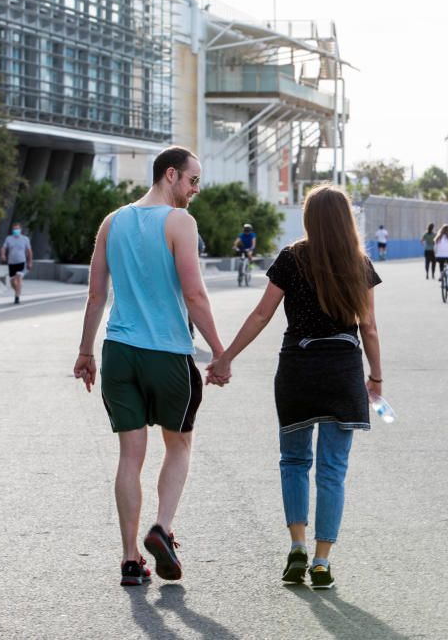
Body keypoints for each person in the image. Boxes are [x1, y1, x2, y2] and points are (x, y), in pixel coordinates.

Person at [209, 185, 382, 591]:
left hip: (298, 370)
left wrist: (226, 356)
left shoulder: (291, 258)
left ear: (308, 218)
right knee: (332, 471)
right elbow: (369, 327)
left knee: (293, 461)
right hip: (342, 371)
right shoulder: (359, 263)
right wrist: (375, 377)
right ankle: (322, 561)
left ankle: (297, 546)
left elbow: (260, 314)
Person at [72, 146, 228, 587]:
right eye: (193, 181)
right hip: (168, 352)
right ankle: (161, 527)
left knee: (130, 456)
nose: (196, 190)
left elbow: (95, 296)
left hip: (119, 351)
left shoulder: (112, 221)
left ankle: (128, 560)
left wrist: (85, 353)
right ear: (171, 175)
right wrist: (219, 351)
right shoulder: (179, 222)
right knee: (178, 445)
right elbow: (195, 295)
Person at [1, 223, 33, 304]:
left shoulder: (25, 239)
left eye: (17, 229)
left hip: (21, 262)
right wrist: (3, 255)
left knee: (18, 279)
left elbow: (29, 251)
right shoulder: (9, 238)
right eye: (14, 229)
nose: (16, 231)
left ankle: (17, 297)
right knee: (12, 283)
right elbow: (4, 248)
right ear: (12, 230)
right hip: (11, 263)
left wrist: (30, 262)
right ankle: (18, 290)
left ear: (20, 230)